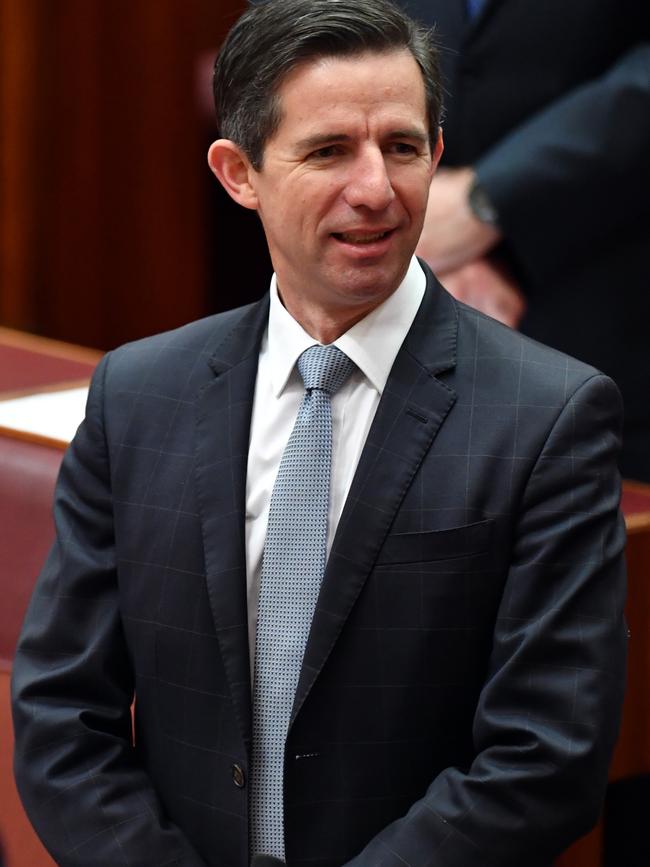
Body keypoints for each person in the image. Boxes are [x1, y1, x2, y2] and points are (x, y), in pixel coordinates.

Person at [12, 1, 626, 865]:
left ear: (437, 153)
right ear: (239, 173)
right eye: (331, 150)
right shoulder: (138, 395)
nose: (376, 187)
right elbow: (61, 714)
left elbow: (545, 756)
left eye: (403, 147)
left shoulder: (550, 416)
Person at [401, 0, 650, 482]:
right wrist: (413, 223)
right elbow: (289, 39)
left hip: (607, 316)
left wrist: (491, 202)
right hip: (383, 328)